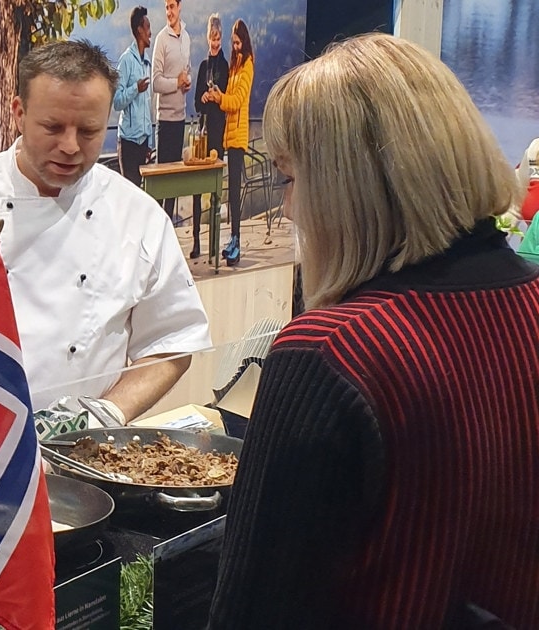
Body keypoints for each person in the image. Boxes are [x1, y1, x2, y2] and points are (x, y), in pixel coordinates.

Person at [208, 34, 539, 628]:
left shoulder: (333, 351)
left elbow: (256, 608)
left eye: (289, 178)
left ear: (346, 189)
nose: (288, 209)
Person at [0, 40, 211, 426]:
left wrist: (109, 412)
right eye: (53, 127)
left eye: (89, 131)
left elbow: (172, 343)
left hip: (81, 450)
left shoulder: (139, 216)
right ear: (18, 112)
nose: (70, 146)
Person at [203, 18, 253, 266]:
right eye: (232, 43)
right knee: (229, 191)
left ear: (244, 41)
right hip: (228, 135)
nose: (234, 47)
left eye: (237, 42)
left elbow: (237, 100)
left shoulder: (247, 67)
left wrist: (220, 98)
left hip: (238, 136)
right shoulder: (235, 66)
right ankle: (232, 239)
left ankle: (236, 241)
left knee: (234, 191)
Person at [190, 13, 228, 259]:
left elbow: (224, 99)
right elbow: (196, 103)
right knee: (195, 188)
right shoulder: (203, 66)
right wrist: (204, 98)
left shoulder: (225, 66)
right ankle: (195, 240)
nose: (214, 43)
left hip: (218, 132)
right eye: (211, 39)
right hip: (202, 133)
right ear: (207, 38)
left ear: (220, 38)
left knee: (215, 190)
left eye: (217, 39)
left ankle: (215, 242)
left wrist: (215, 96)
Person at [152, 0, 192, 222]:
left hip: (181, 119)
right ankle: (156, 229)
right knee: (161, 183)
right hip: (165, 121)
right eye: (166, 7)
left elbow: (188, 71)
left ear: (179, 6)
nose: (168, 12)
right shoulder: (160, 40)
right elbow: (156, 82)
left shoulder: (186, 38)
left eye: (171, 7)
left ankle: (168, 230)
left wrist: (187, 83)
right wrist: (177, 83)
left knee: (175, 184)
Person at [113, 6, 154, 188]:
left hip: (143, 144)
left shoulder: (146, 62)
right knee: (130, 197)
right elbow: (117, 101)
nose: (150, 32)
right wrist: (135, 88)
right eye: (148, 27)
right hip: (129, 144)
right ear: (139, 30)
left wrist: (150, 143)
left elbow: (147, 105)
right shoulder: (126, 61)